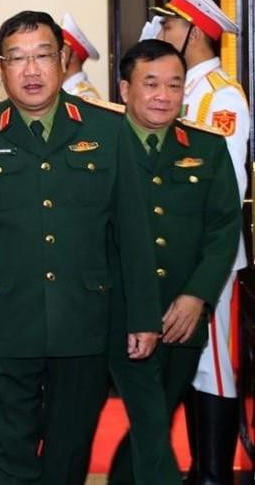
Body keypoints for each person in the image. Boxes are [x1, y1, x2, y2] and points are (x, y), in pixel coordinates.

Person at [0, 10, 162, 484]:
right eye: (17, 59)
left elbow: (133, 233)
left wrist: (142, 315)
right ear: (0, 70)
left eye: (42, 56)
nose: (31, 70)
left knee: (68, 456)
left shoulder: (108, 130)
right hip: (0, 326)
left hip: (83, 323)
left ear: (62, 59)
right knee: (7, 456)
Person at [107, 39, 241, 485]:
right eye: (151, 84)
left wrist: (197, 296)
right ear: (125, 89)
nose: (164, 95)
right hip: (113, 314)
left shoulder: (206, 147)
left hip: (180, 316)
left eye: (174, 84)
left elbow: (224, 229)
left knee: (155, 421)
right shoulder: (99, 146)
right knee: (137, 425)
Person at [154, 0, 250, 485]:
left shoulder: (221, 97)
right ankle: (198, 470)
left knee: (215, 366)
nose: (161, 33)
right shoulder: (180, 91)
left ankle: (214, 474)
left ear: (193, 32)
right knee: (190, 364)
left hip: (210, 259)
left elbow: (225, 191)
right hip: (178, 253)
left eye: (169, 27)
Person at [61, 13, 101, 99]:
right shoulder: (66, 90)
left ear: (73, 56)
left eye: (62, 51)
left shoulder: (86, 96)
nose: (56, 55)